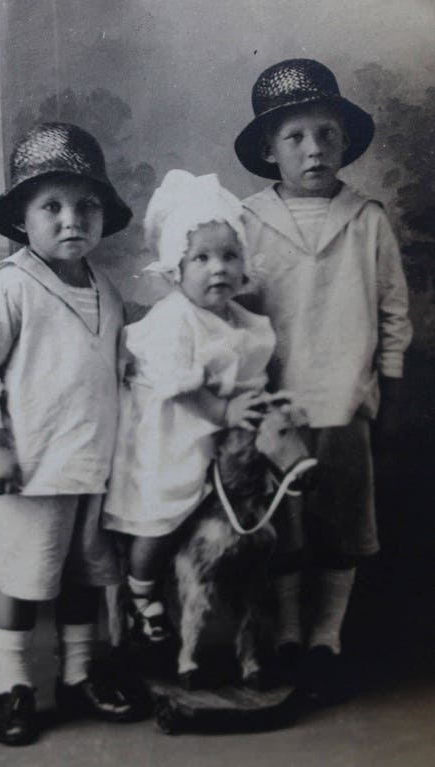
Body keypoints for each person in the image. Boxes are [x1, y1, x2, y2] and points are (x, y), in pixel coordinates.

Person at [0, 122, 140, 746]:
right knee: (25, 580)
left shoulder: (105, 290)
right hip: (29, 469)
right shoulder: (10, 285)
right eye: (51, 206)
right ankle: (13, 684)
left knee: (85, 578)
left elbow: (115, 366)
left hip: (92, 465)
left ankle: (79, 675)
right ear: (22, 220)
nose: (71, 220)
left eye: (86, 205)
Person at [234, 59, 412, 702]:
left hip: (343, 399)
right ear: (268, 148)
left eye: (326, 135)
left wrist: (388, 391)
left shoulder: (366, 218)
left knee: (341, 526)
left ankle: (325, 640)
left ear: (344, 141)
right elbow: (228, 306)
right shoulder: (248, 220)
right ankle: (284, 634)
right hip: (276, 404)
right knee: (284, 527)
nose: (313, 149)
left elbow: (394, 312)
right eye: (295, 137)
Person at [102, 169, 277, 646]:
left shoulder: (242, 321)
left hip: (212, 435)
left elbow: (248, 379)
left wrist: (248, 411)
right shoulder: (173, 320)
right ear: (176, 271)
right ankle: (142, 598)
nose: (217, 268)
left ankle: (225, 617)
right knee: (157, 518)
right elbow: (180, 388)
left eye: (228, 256)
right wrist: (223, 413)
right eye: (200, 258)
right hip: (169, 434)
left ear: (243, 264)